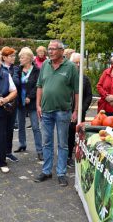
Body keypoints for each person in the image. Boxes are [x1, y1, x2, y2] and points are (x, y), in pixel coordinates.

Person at [34, 40, 79, 187]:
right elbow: (40, 86)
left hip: (63, 111)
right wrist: (38, 105)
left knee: (63, 144)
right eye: (49, 49)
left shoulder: (71, 67)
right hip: (46, 110)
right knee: (46, 142)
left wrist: (76, 110)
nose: (50, 52)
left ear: (61, 51)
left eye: (53, 49)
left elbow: (77, 91)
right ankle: (46, 171)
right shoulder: (45, 65)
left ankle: (61, 173)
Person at [15, 47, 43, 160]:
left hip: (31, 102)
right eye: (20, 57)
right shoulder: (18, 69)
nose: (20, 59)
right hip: (20, 102)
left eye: (22, 57)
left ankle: (40, 150)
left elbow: (38, 85)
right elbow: (15, 83)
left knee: (35, 127)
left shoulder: (37, 71)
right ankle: (22, 144)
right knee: (21, 125)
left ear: (29, 58)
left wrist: (29, 97)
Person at [67, 52, 92, 167]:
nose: (77, 65)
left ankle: (77, 154)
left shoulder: (85, 79)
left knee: (78, 134)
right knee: (67, 134)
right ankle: (67, 157)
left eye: (79, 63)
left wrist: (81, 109)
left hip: (80, 111)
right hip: (67, 111)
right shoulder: (66, 77)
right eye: (75, 62)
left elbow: (88, 96)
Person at [1, 46, 20, 162]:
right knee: (1, 129)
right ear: (4, 57)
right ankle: (1, 153)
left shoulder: (16, 69)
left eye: (14, 55)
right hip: (2, 102)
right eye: (11, 56)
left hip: (13, 103)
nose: (14, 58)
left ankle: (8, 152)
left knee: (10, 128)